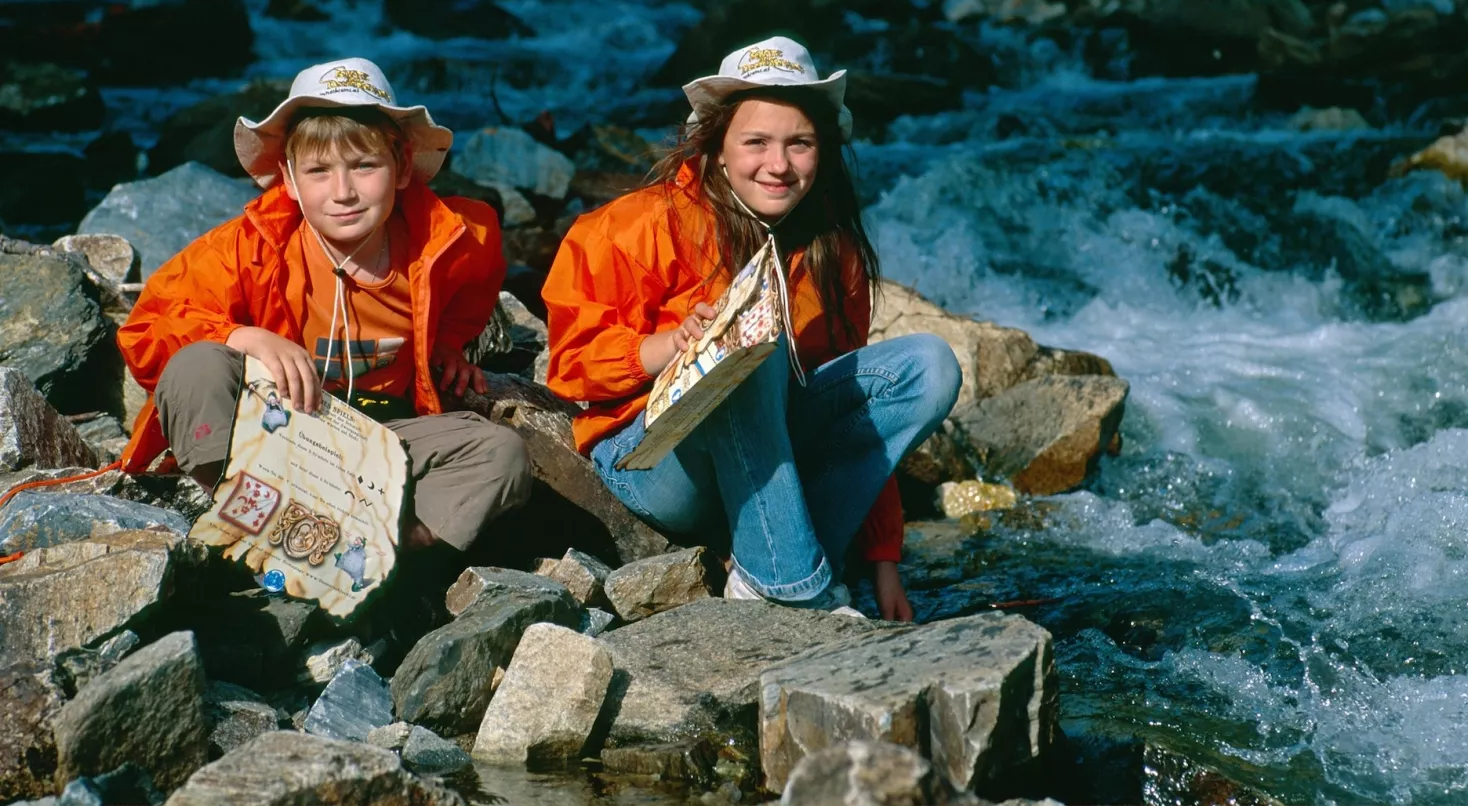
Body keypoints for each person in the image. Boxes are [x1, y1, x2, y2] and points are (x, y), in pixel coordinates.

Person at [542, 36, 962, 619]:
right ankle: (795, 590)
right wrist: (672, 347)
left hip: (774, 448)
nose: (778, 164)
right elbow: (569, 369)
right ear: (715, 148)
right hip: (654, 461)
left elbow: (858, 420)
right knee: (749, 349)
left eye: (800, 144)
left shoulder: (830, 246)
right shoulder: (631, 225)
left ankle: (772, 559)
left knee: (930, 365)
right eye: (756, 142)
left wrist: (884, 560)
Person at [117, 57, 531, 559]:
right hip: (273, 435)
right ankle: (235, 505)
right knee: (196, 363)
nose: (343, 192)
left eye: (364, 166)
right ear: (289, 180)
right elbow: (146, 327)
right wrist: (241, 336)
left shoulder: (454, 239)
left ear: (400, 167)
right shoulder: (252, 244)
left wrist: (446, 343)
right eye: (319, 172)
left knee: (502, 453)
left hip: (383, 439)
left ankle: (377, 556)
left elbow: (474, 287)